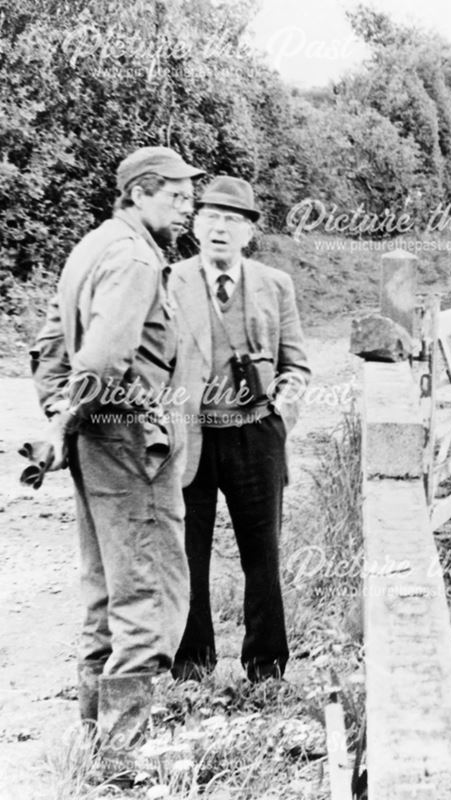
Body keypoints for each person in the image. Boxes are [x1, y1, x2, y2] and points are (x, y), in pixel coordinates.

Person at [30, 146, 204, 766]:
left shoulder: (93, 245)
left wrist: (61, 420)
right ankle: (125, 754)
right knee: (148, 592)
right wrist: (79, 416)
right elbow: (102, 362)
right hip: (130, 439)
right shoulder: (133, 257)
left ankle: (94, 740)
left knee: (106, 588)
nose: (188, 208)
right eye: (177, 196)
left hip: (94, 439)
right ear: (140, 193)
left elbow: (51, 346)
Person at [168, 175, 310, 683]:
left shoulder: (275, 285)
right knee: (188, 554)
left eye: (233, 220)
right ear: (195, 226)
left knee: (262, 555)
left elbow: (297, 366)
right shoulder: (170, 281)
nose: (220, 229)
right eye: (210, 218)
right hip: (191, 437)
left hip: (256, 435)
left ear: (249, 232)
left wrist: (280, 417)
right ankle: (191, 663)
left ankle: (267, 665)